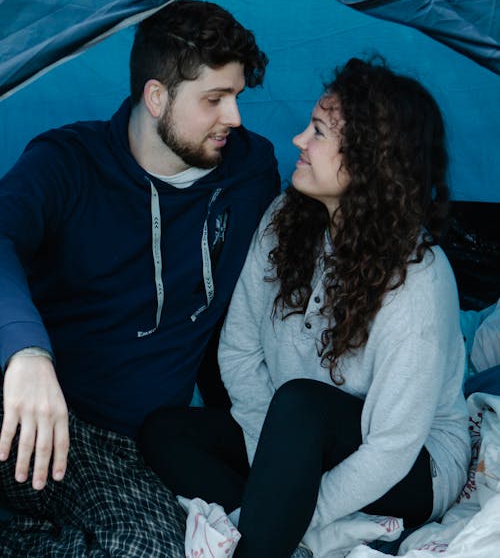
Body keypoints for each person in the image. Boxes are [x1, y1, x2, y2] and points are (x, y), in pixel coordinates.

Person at [139, 57, 471, 558]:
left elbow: (391, 448)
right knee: (164, 432)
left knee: (301, 403)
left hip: (412, 464)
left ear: (367, 161)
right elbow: (239, 348)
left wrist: (298, 512)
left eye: (317, 131)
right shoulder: (285, 220)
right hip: (288, 436)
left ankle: (263, 543)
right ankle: (281, 535)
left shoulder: (420, 280)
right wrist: (268, 463)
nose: (298, 140)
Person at [0, 0, 279, 553]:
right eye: (215, 100)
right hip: (24, 407)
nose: (236, 118)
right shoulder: (68, 162)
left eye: (238, 97)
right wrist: (26, 353)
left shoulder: (249, 172)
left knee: (150, 548)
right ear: (157, 97)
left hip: (121, 445)